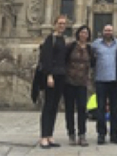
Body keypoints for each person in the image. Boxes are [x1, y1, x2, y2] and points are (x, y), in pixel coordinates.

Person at [64, 25, 94, 146]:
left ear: (88, 35)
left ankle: (82, 134)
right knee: (69, 109)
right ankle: (71, 134)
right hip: (69, 82)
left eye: (86, 33)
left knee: (82, 108)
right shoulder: (70, 46)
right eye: (82, 32)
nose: (84, 34)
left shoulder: (90, 48)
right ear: (78, 34)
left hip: (82, 83)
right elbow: (63, 60)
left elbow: (93, 63)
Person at [39, 15, 67, 148]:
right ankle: (43, 136)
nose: (62, 25)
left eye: (64, 24)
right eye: (60, 23)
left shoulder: (63, 39)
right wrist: (49, 75)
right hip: (52, 77)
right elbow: (46, 58)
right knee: (48, 106)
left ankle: (50, 135)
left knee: (55, 107)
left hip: (61, 76)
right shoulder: (51, 39)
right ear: (55, 24)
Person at [92, 24, 117, 145]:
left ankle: (114, 134)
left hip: (115, 81)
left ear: (113, 32)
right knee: (100, 108)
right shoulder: (95, 44)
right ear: (102, 32)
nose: (108, 32)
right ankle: (101, 134)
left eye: (110, 30)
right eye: (106, 30)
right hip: (101, 80)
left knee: (115, 109)